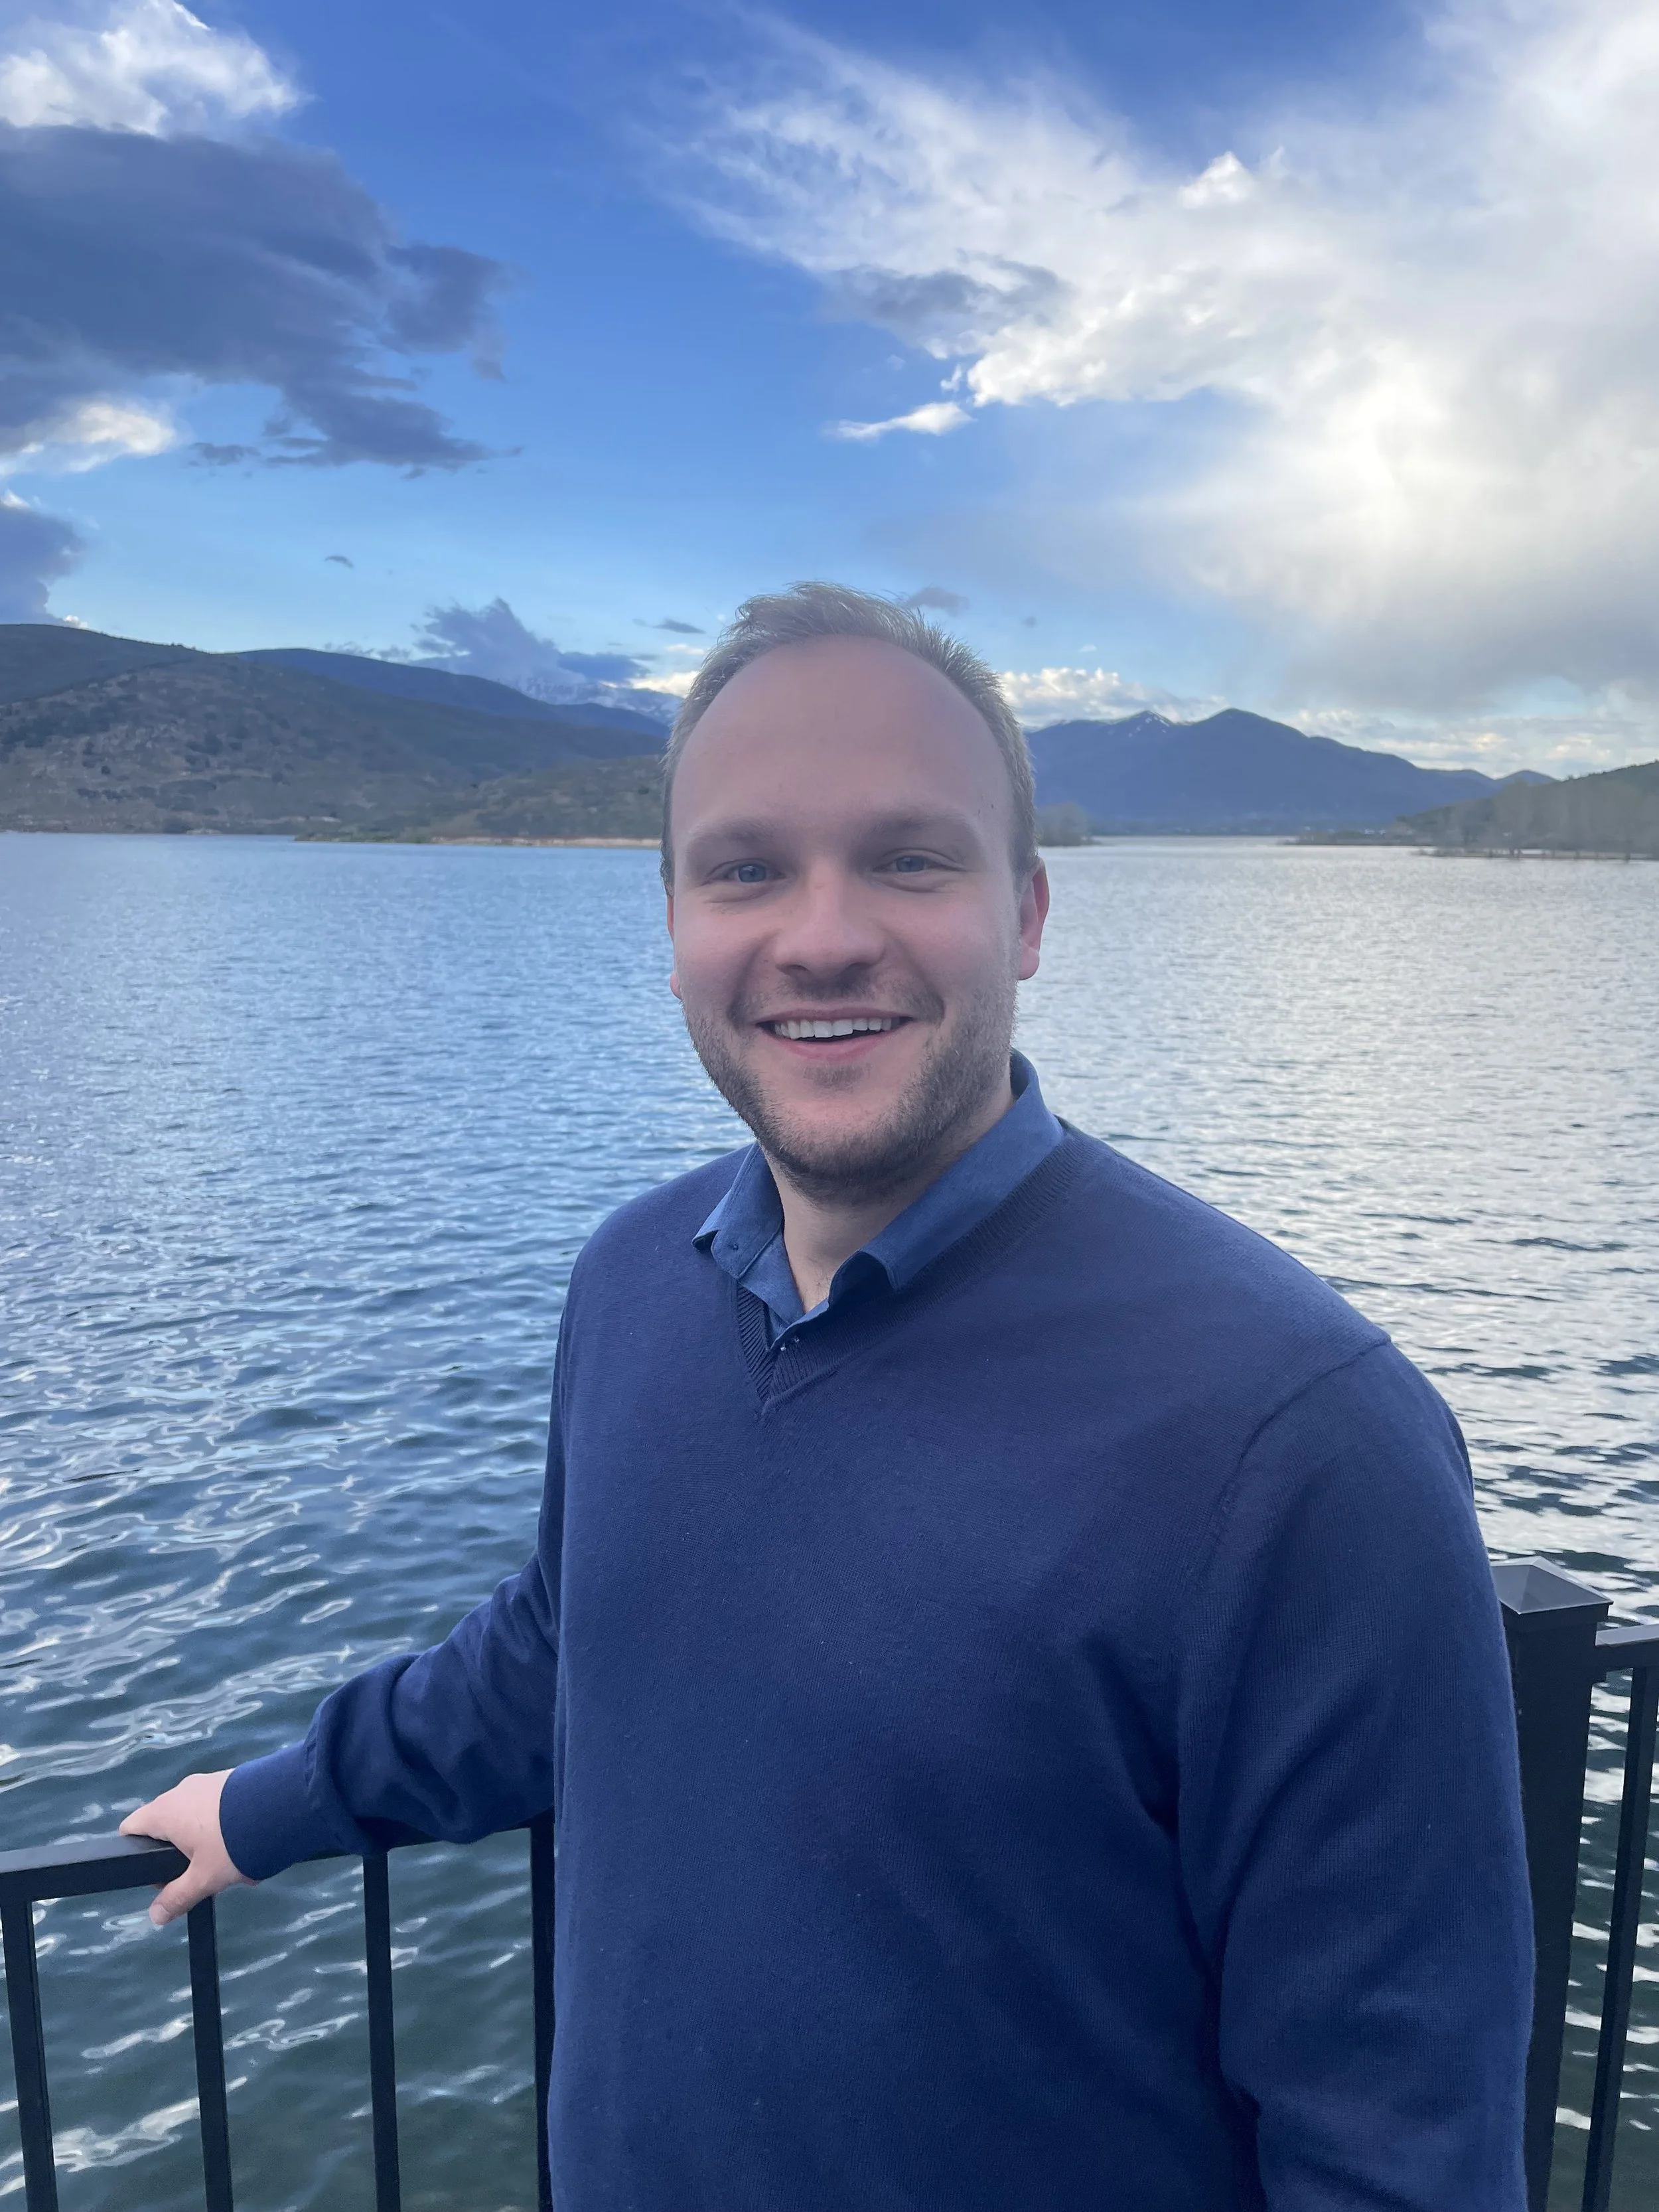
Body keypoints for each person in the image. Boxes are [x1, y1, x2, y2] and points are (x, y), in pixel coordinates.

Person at [127, 582, 1532, 2211]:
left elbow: (1393, 2145)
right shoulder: (628, 1283)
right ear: (671, 927)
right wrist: (276, 1801)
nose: (820, 933)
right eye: (745, 869)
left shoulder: (1299, 1437)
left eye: (908, 857)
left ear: (1024, 915)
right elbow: (560, 1644)